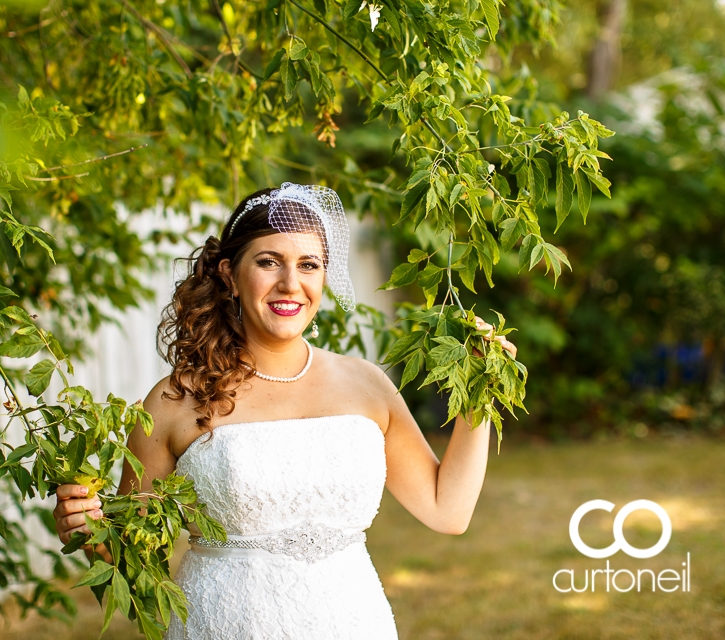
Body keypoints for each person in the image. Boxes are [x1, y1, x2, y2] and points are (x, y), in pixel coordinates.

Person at [52, 182, 517, 638]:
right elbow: (136, 563)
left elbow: (447, 511)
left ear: (324, 277)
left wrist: (480, 390)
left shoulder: (367, 386)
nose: (290, 284)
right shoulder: (175, 400)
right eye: (269, 262)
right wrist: (91, 533)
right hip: (225, 625)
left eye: (308, 265)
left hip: (353, 623)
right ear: (230, 275)